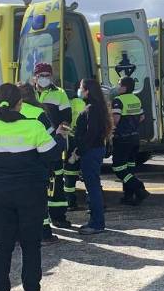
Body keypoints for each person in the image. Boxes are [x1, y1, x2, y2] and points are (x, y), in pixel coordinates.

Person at [0, 83, 62, 291]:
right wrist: (61, 138)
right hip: (30, 195)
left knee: (0, 247)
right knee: (31, 246)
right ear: (21, 103)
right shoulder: (33, 127)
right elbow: (52, 155)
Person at [18, 83, 65, 242]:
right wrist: (60, 136)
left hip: (16, 162)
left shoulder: (8, 113)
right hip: (37, 161)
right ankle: (44, 232)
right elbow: (49, 138)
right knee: (39, 199)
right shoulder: (39, 113)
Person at [71, 79, 112, 235]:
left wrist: (78, 152)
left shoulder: (91, 109)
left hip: (91, 151)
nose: (79, 90)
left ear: (87, 91)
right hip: (94, 150)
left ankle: (97, 223)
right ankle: (95, 221)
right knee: (93, 186)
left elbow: (90, 134)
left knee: (93, 187)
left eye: (81, 88)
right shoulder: (96, 108)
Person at [32, 63, 71, 222]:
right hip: (33, 144)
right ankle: (41, 218)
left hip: (53, 143)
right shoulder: (27, 94)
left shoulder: (59, 93)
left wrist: (60, 136)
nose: (44, 78)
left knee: (57, 180)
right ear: (35, 77)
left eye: (47, 75)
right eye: (41, 75)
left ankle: (58, 216)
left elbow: (67, 119)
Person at [111, 77, 149, 206]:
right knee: (129, 168)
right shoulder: (136, 99)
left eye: (119, 85)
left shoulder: (118, 100)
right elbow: (142, 116)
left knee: (119, 168)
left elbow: (115, 120)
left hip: (122, 139)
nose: (117, 87)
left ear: (125, 87)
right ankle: (128, 196)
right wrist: (132, 125)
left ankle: (139, 187)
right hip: (134, 138)